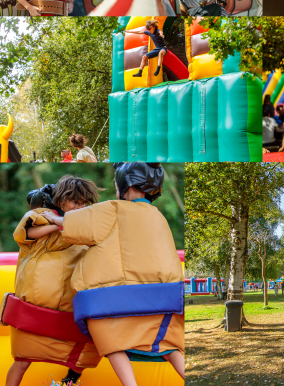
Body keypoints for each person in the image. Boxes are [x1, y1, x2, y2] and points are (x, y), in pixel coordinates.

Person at [40, 163, 185, 385]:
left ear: (123, 184)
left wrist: (49, 217)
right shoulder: (157, 216)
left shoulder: (112, 209)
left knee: (111, 343)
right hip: (160, 296)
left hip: (111, 298)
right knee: (165, 344)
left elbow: (74, 223)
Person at [5, 177, 103, 386]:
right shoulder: (43, 215)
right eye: (75, 202)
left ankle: (69, 380)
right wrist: (59, 225)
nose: (81, 206)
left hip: (70, 304)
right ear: (61, 200)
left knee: (86, 350)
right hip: (36, 304)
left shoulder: (83, 225)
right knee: (22, 359)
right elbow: (27, 233)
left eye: (84, 203)